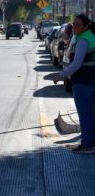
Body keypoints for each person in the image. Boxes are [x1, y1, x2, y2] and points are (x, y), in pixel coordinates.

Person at [53, 14, 95, 154]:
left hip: (83, 80)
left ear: (86, 26)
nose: (74, 27)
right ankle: (91, 142)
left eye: (78, 25)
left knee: (84, 114)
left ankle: (87, 145)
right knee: (91, 113)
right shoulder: (92, 36)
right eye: (74, 24)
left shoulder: (83, 40)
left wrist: (61, 75)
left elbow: (77, 64)